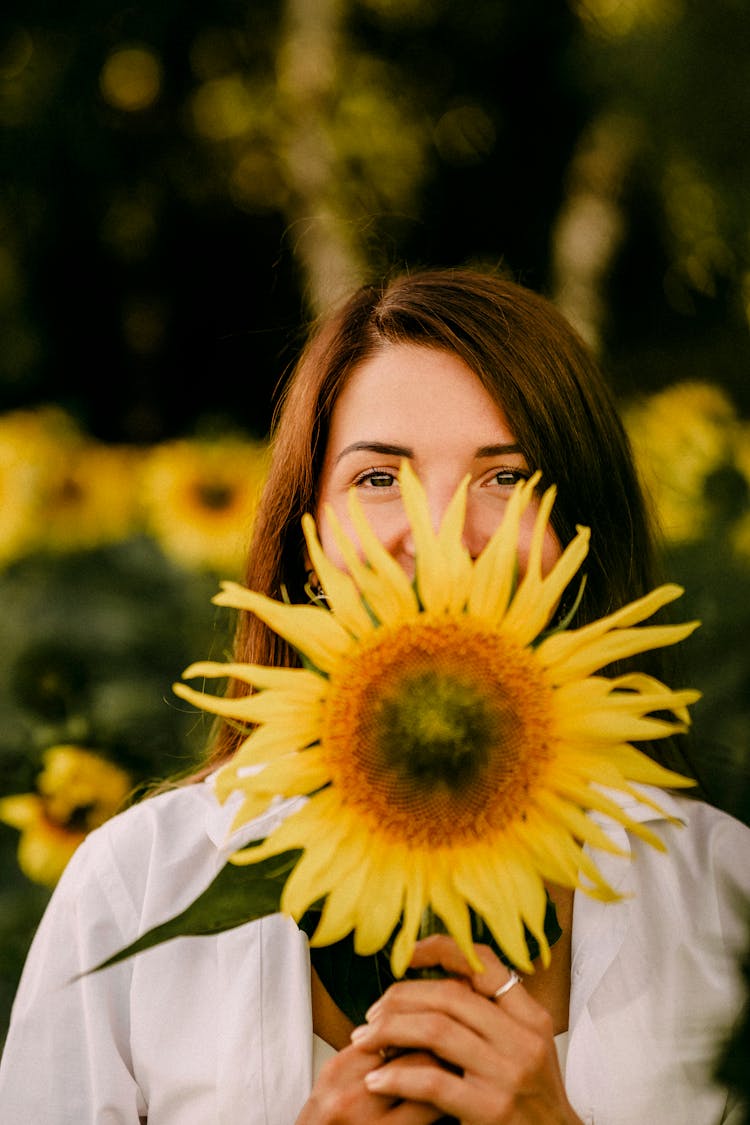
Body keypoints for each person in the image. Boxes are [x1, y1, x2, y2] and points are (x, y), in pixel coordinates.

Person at [1, 266, 749, 1124]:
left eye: (506, 477)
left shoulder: (724, 898)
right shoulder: (137, 889)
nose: (439, 536)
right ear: (306, 541)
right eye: (378, 478)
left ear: (583, 528)